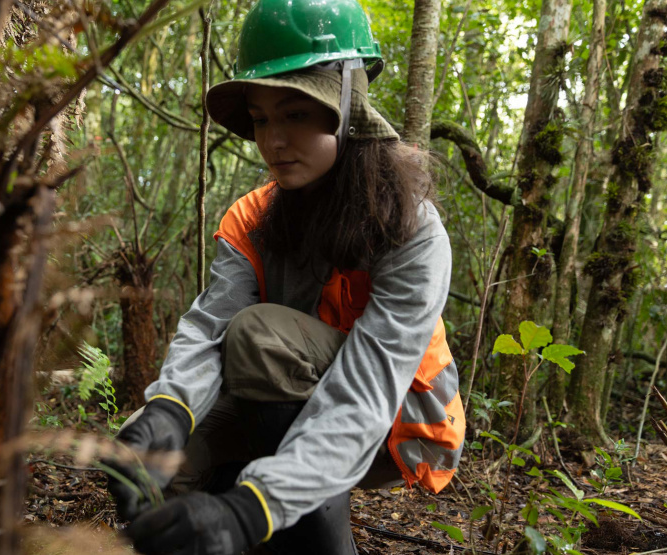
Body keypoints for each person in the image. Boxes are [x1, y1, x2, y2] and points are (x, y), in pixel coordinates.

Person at [104, 1, 466, 553]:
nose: (273, 141)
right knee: (165, 470)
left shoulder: (410, 227)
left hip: (401, 425)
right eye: (261, 117)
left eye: (296, 113)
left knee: (258, 337)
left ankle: (306, 524)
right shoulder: (252, 216)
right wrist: (166, 411)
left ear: (348, 102)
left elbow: (366, 388)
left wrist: (254, 509)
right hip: (280, 392)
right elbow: (209, 327)